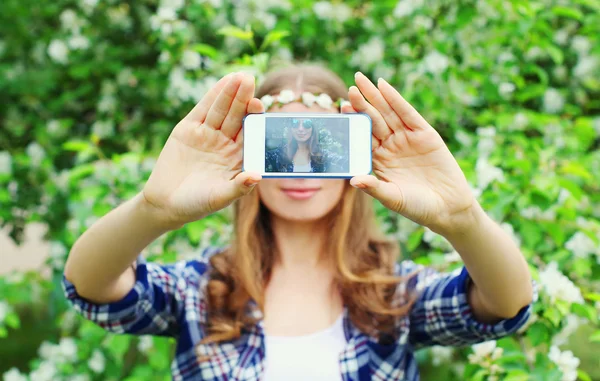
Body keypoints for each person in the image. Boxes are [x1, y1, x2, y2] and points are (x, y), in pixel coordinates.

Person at [62, 64, 535, 381]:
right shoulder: (201, 291)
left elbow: (506, 304)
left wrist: (462, 218)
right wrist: (153, 209)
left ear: (355, 156)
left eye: (322, 148)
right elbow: (90, 287)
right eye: (278, 148)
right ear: (246, 152)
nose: (300, 170)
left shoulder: (393, 294)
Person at [265, 117, 349, 173]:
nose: (301, 129)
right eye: (295, 124)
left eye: (307, 124)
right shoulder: (278, 154)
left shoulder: (324, 155)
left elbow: (343, 162)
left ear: (313, 129)